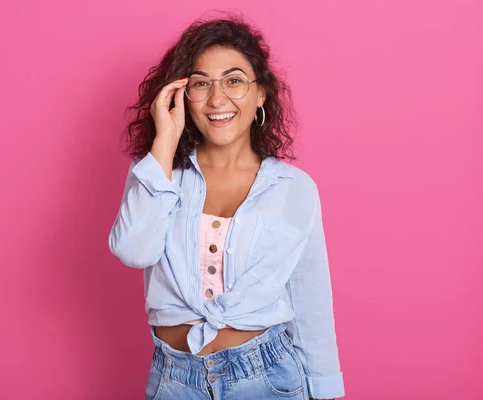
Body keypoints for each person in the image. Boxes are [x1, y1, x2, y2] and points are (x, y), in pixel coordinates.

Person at [109, 14, 344, 400]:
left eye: (233, 81)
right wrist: (164, 142)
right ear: (182, 95)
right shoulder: (157, 171)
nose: (218, 99)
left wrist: (326, 390)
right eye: (201, 84)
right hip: (173, 380)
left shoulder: (294, 189)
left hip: (268, 378)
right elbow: (135, 251)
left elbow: (310, 300)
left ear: (261, 93)